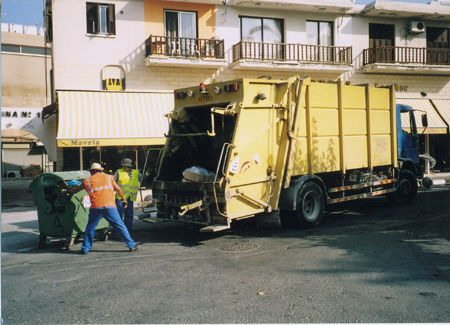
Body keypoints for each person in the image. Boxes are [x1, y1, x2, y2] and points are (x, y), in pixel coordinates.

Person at [63, 163, 139, 254]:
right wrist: (123, 199)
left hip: (96, 207)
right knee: (119, 225)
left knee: (90, 227)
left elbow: (75, 190)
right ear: (100, 170)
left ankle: (85, 248)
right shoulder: (108, 178)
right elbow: (118, 189)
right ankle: (131, 245)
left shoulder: (87, 181)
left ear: (92, 171)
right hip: (109, 206)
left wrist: (65, 192)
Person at [114, 158, 142, 233]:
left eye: (126, 166)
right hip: (120, 197)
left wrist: (147, 174)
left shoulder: (136, 173)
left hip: (130, 197)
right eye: (123, 166)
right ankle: (117, 232)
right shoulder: (119, 172)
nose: (124, 167)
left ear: (130, 166)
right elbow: (113, 182)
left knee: (129, 215)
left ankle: (128, 231)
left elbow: (142, 178)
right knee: (118, 215)